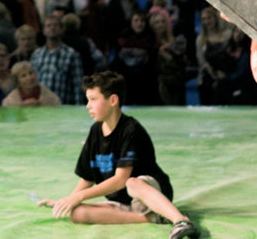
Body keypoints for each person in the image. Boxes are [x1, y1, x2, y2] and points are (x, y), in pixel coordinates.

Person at [37, 71, 199, 238]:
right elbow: (87, 178)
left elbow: (121, 180)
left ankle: (180, 220)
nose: (88, 105)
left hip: (151, 191)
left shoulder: (131, 129)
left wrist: (79, 196)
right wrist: (67, 201)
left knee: (132, 183)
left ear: (113, 100)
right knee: (77, 213)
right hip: (124, 202)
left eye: (93, 99)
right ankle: (154, 217)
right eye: (88, 100)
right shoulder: (95, 131)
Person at [31, 15, 84, 104]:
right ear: (44, 30)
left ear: (62, 29)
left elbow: (78, 84)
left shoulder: (71, 54)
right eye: (48, 25)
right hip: (41, 105)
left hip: (63, 105)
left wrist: (79, 106)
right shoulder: (37, 54)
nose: (52, 28)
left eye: (55, 25)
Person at [195, 6, 233, 105]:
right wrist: (211, 71)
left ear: (215, 18)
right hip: (207, 79)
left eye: (209, 18)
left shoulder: (227, 35)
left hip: (227, 77)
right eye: (203, 19)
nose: (206, 21)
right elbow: (201, 60)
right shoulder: (200, 40)